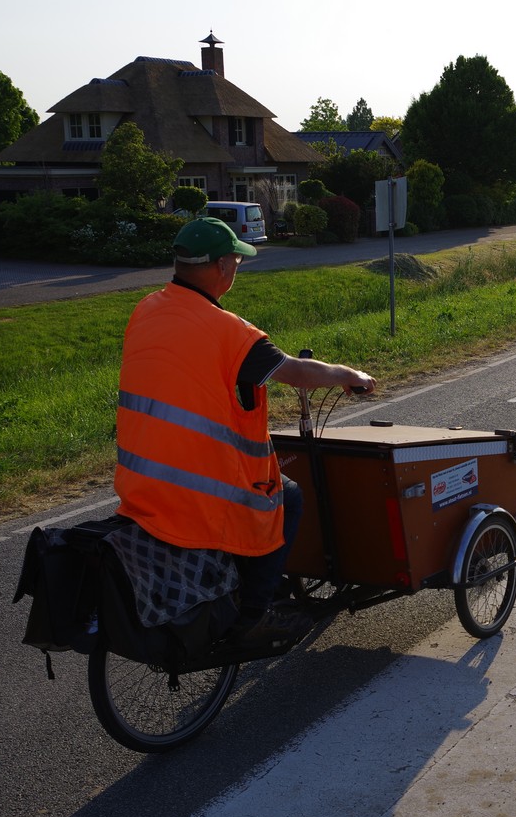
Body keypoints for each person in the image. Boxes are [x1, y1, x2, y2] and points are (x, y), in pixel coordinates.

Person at [115, 217, 377, 648]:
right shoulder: (228, 331)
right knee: (286, 497)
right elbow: (296, 372)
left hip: (141, 481)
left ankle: (236, 584)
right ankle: (257, 611)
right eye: (236, 260)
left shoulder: (146, 310)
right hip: (199, 483)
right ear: (221, 266)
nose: (237, 268)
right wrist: (349, 374)